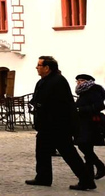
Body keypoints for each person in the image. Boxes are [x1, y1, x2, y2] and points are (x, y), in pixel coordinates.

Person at [26, 56, 94, 190]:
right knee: (42, 151)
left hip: (57, 125)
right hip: (47, 125)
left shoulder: (57, 81)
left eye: (39, 65)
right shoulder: (45, 81)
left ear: (47, 68)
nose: (37, 67)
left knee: (68, 153)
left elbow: (58, 104)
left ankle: (86, 180)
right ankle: (43, 177)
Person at [74, 74, 105, 181]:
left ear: (88, 81)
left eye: (81, 80)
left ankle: (99, 168)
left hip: (91, 124)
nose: (79, 83)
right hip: (84, 123)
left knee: (84, 146)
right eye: (77, 81)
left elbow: (99, 106)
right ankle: (94, 170)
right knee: (86, 147)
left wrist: (81, 110)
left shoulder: (92, 91)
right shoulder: (83, 91)